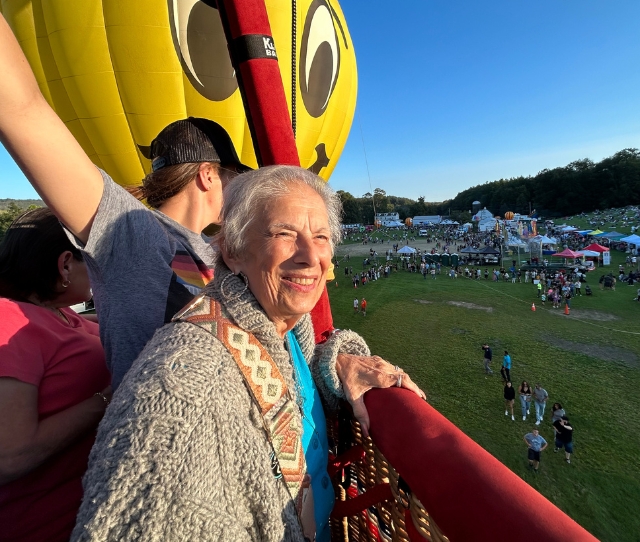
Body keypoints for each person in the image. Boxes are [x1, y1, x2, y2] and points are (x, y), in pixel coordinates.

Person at [71, 166, 426, 541]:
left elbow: (294, 379)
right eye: (284, 234)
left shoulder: (287, 326)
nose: (310, 255)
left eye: (321, 236)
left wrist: (338, 360)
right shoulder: (185, 393)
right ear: (234, 251)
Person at [0, 14, 250, 388]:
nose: (239, 193)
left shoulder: (212, 250)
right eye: (234, 179)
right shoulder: (131, 230)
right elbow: (23, 110)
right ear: (208, 175)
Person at [0, 209, 111, 542]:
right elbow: (10, 455)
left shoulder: (60, 314)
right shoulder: (10, 322)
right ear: (65, 265)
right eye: (93, 262)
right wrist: (108, 399)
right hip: (42, 525)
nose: (99, 272)